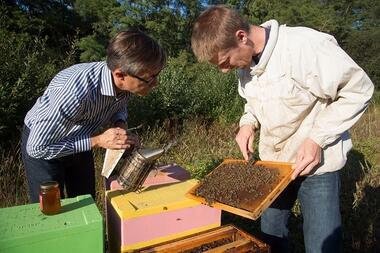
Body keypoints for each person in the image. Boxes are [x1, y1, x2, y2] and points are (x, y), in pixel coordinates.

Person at [191, 5, 374, 253]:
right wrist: (247, 124)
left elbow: (358, 89)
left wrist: (317, 139)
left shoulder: (304, 47)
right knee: (271, 237)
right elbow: (252, 102)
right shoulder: (245, 63)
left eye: (225, 62)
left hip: (316, 166)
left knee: (322, 244)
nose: (224, 70)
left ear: (241, 37)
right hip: (274, 166)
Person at [21, 29, 166, 203]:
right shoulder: (74, 91)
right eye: (150, 78)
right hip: (45, 141)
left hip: (82, 135)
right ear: (120, 75)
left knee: (85, 200)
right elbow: (37, 147)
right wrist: (98, 141)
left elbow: (119, 105)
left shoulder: (126, 82)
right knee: (52, 209)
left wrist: (120, 124)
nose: (155, 83)